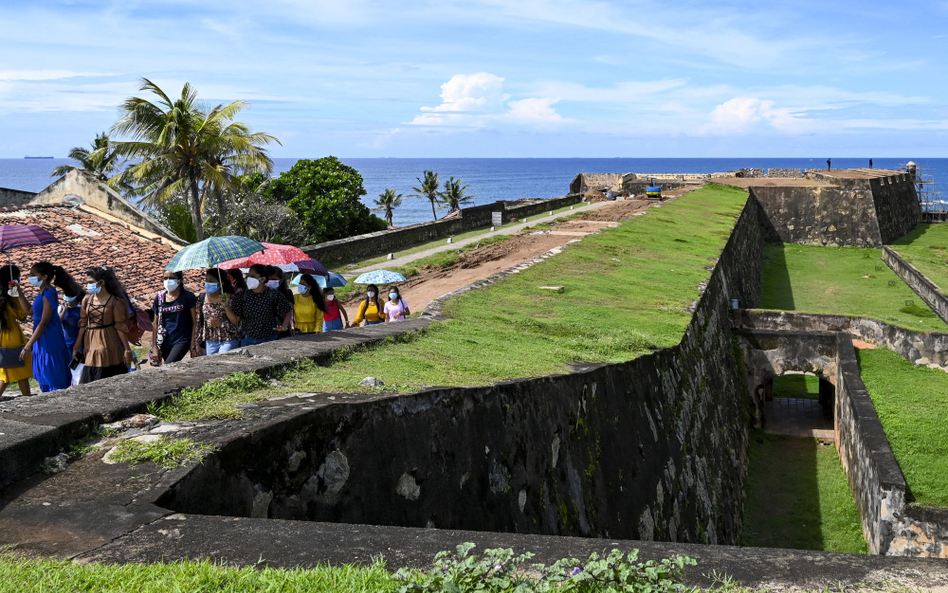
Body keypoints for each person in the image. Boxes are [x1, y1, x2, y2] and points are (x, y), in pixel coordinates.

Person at [76, 267, 132, 384]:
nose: (88, 285)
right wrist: (76, 346)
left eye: (91, 282)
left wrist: (127, 349)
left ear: (102, 282)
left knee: (106, 372)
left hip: (108, 340)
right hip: (90, 342)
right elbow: (83, 324)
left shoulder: (116, 302)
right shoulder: (87, 300)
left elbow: (120, 327)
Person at [21, 262, 71, 392]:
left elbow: (44, 321)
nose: (29, 277)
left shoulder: (48, 292)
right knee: (44, 375)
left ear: (44, 277)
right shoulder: (42, 293)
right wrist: (18, 291)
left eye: (33, 274)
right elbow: (29, 310)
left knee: (52, 375)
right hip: (41, 339)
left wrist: (28, 345)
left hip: (49, 338)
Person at [229, 264, 293, 346]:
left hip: (270, 339)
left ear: (262, 279)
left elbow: (288, 310)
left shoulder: (273, 294)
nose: (249, 278)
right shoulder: (242, 296)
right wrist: (226, 306)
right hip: (247, 340)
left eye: (252, 276)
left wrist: (284, 326)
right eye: (248, 275)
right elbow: (235, 320)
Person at [151, 271, 198, 365]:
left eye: (171, 278)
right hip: (165, 340)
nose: (168, 281)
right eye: (165, 278)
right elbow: (155, 323)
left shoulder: (188, 297)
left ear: (179, 280)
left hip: (182, 339)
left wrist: (193, 345)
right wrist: (154, 347)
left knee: (168, 365)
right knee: (171, 369)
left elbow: (195, 322)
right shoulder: (160, 298)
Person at [0, 265, 32, 397]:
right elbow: (23, 315)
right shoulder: (11, 296)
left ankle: (28, 398)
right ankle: (28, 399)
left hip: (2, 336)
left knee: (6, 373)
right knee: (20, 371)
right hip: (12, 336)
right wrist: (18, 293)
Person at [196, 269, 242, 355]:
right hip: (210, 341)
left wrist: (222, 322)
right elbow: (199, 322)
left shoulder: (230, 298)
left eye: (212, 281)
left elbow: (236, 322)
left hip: (228, 339)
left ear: (221, 283)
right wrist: (197, 343)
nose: (208, 283)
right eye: (207, 280)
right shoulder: (202, 298)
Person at [55, 270, 85, 385]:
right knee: (66, 365)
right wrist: (64, 311)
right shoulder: (60, 308)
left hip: (78, 341)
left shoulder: (81, 309)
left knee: (78, 366)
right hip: (66, 341)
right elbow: (58, 323)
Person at [266, 266, 295, 338]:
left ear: (281, 280)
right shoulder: (262, 293)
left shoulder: (287, 293)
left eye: (273, 279)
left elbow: (289, 311)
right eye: (268, 279)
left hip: (283, 332)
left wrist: (283, 326)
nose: (270, 282)